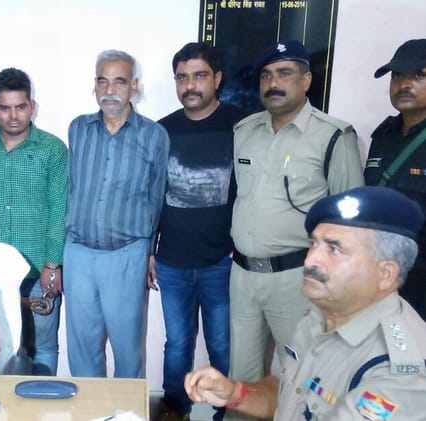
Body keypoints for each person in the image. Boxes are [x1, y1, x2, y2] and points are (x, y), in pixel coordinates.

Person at [185, 186, 426, 420]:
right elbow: (289, 394)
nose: (311, 260)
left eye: (334, 249)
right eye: (314, 244)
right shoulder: (319, 314)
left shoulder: (400, 374)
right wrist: (236, 394)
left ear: (385, 274)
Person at [228, 40, 364, 414]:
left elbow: (350, 220)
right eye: (266, 75)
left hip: (297, 279)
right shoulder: (244, 131)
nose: (273, 83)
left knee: (299, 374)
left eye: (285, 73)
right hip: (242, 276)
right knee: (241, 377)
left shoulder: (333, 136)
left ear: (306, 80)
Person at [150, 42, 246, 421]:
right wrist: (150, 250)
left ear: (217, 79)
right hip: (172, 261)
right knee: (177, 344)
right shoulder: (163, 131)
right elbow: (153, 196)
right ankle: (175, 409)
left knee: (222, 344)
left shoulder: (242, 126)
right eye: (182, 77)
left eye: (199, 75)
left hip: (221, 262)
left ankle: (227, 413)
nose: (190, 85)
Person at [65, 49, 169, 378]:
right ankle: (88, 406)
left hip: (127, 254)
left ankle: (128, 406)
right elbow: (72, 188)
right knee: (82, 348)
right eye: (102, 81)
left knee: (128, 349)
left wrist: (150, 251)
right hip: (79, 253)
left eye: (119, 82)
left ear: (134, 86)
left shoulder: (154, 135)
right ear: (94, 85)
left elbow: (156, 196)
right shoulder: (78, 128)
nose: (110, 90)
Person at [0, 68, 67, 375]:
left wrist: (52, 265)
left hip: (39, 269)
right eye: (5, 108)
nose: (13, 116)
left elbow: (59, 209)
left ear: (32, 105)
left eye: (21, 107)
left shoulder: (53, 149)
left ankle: (41, 399)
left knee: (43, 346)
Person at [365, 39, 426, 320]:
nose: (404, 84)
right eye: (397, 76)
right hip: (378, 277)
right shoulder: (383, 136)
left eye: (419, 75)